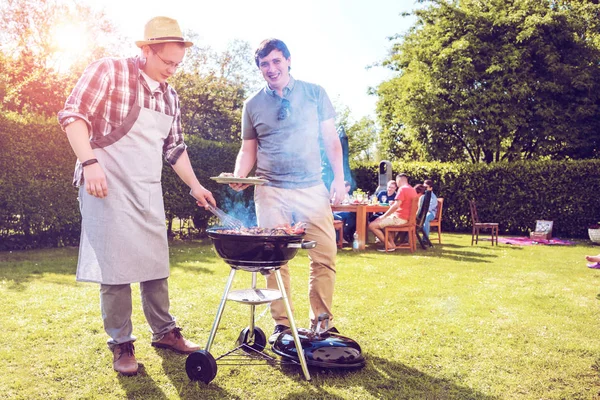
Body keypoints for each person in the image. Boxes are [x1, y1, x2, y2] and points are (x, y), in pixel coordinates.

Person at [57, 16, 215, 376]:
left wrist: (195, 186)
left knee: (155, 261)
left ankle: (164, 332)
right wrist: (90, 162)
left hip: (145, 186)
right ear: (146, 50)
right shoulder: (110, 72)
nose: (172, 71)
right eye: (166, 63)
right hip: (105, 182)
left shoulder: (170, 96)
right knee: (114, 266)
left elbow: (174, 148)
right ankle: (122, 344)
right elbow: (72, 114)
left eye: (178, 64)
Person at [230, 38, 345, 343]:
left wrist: (339, 178)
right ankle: (283, 325)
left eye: (276, 61)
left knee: (324, 256)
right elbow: (248, 149)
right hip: (270, 189)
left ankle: (322, 323)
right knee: (273, 261)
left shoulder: (314, 93)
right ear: (259, 69)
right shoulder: (252, 105)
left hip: (311, 186)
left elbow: (331, 139)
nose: (271, 68)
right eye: (264, 64)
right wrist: (241, 174)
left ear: (289, 61)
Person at [368, 173, 418, 252]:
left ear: (399, 180)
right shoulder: (412, 190)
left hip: (400, 219)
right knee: (381, 222)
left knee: (372, 225)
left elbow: (396, 205)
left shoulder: (402, 189)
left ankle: (388, 246)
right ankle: (392, 245)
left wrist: (383, 216)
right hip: (406, 218)